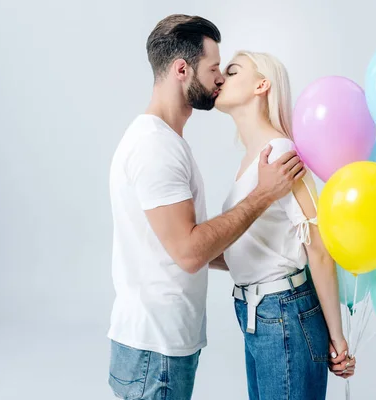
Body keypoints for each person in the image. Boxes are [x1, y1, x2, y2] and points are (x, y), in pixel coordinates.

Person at [107, 15, 307, 400]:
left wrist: (262, 260)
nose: (220, 78)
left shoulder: (164, 141)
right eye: (214, 68)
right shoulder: (155, 148)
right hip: (156, 350)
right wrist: (264, 194)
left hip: (157, 345)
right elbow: (189, 251)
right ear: (182, 69)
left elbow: (177, 244)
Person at [213, 51, 356, 400]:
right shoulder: (251, 161)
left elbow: (319, 250)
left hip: (284, 313)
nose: (220, 77)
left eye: (232, 71)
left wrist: (337, 338)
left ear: (262, 85)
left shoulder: (281, 153)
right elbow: (247, 250)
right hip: (257, 312)